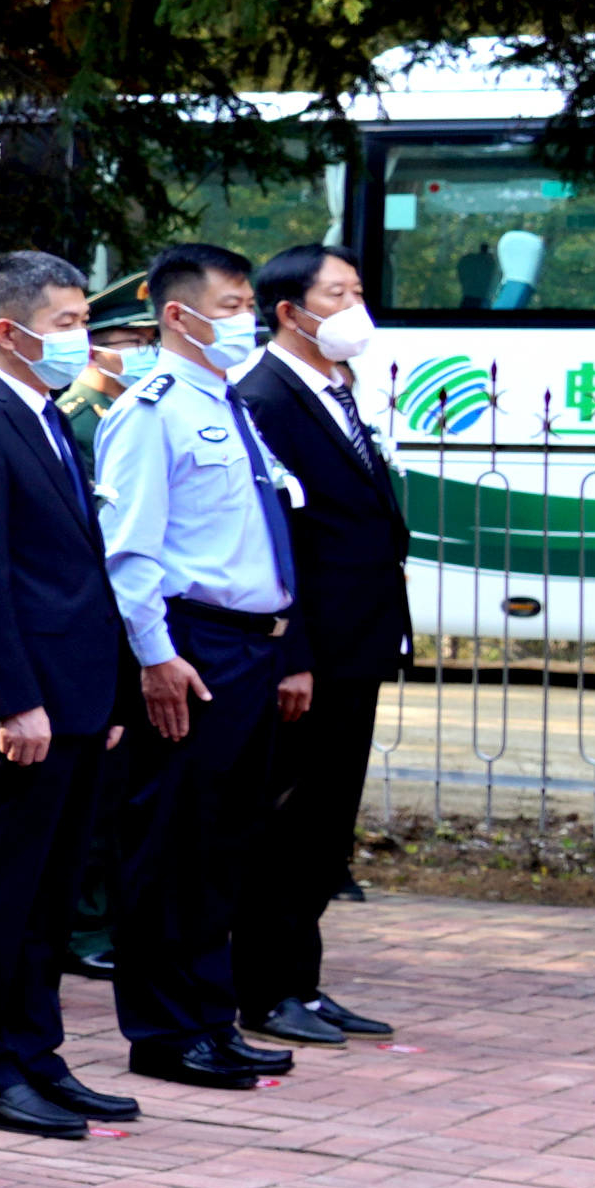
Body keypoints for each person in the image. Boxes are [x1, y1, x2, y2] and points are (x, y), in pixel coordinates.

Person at [0, 255, 143, 1140]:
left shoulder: (45, 415)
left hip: (75, 694)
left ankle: (35, 1054)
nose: (83, 338)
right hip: (20, 705)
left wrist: (108, 693)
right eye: (67, 322)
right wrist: (11, 700)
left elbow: (77, 566)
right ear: (11, 332)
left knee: (49, 894)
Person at [94, 240, 319, 1087]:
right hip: (194, 645)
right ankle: (163, 1031)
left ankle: (209, 1017)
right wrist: (156, 657)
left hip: (250, 645)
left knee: (224, 842)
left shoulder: (228, 404)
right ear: (177, 315)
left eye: (247, 306)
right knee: (171, 842)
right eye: (229, 307)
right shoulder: (151, 411)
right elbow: (130, 554)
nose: (246, 321)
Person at [234, 240, 408, 1043]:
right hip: (312, 651)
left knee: (326, 825)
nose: (354, 309)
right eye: (337, 295)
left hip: (358, 642)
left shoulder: (338, 389)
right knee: (287, 822)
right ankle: (265, 987)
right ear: (290, 311)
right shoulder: (266, 397)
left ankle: (300, 978)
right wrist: (293, 653)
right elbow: (278, 539)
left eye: (358, 291)